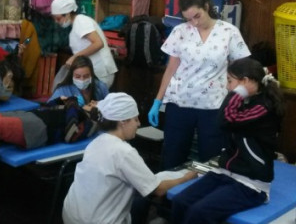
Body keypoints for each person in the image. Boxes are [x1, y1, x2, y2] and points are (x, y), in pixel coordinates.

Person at [0, 56, 107, 199]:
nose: (94, 101)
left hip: (40, 127)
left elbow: (71, 134)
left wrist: (72, 104)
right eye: (78, 76)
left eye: (95, 103)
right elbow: (50, 106)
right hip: (33, 114)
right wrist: (61, 101)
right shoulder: (70, 96)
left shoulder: (89, 123)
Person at [149, 0, 251, 169]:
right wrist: (158, 101)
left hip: (213, 105)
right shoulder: (180, 31)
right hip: (179, 102)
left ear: (206, 6)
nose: (194, 22)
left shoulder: (228, 32)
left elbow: (242, 68)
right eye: (189, 19)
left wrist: (237, 99)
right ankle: (169, 197)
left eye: (197, 16)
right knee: (172, 156)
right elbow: (171, 68)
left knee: (211, 158)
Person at [171, 58, 284, 224]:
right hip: (225, 173)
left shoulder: (264, 107)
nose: (227, 86)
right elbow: (226, 121)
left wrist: (238, 92)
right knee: (180, 202)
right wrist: (240, 93)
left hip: (251, 183)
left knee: (200, 212)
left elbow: (226, 120)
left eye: (230, 81)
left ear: (245, 82)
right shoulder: (246, 102)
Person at [62, 93, 197, 224]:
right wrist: (187, 178)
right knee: (143, 199)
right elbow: (158, 189)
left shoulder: (96, 142)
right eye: (136, 119)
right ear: (123, 122)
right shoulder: (124, 152)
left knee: (139, 201)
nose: (138, 124)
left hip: (71, 216)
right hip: (97, 221)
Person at [50, 0, 117, 88]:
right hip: (92, 72)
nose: (56, 22)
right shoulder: (76, 24)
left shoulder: (81, 21)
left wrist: (75, 57)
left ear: (68, 14)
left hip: (100, 72)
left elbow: (98, 43)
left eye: (58, 19)